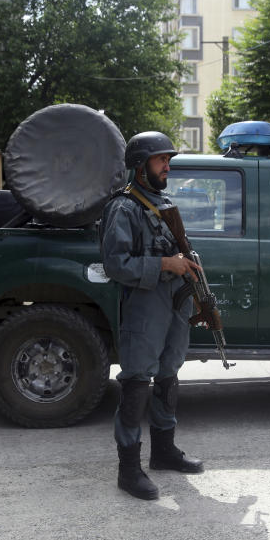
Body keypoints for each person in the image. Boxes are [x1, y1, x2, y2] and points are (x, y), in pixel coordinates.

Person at [99, 131, 205, 500]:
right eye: (161, 160)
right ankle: (128, 469)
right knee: (136, 381)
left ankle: (164, 451)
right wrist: (166, 263)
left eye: (168, 160)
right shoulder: (124, 208)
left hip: (175, 303)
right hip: (145, 305)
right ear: (141, 166)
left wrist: (188, 270)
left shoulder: (163, 202)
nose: (167, 166)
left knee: (169, 374)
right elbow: (115, 264)